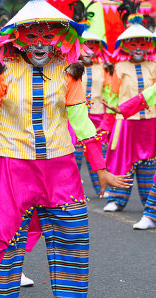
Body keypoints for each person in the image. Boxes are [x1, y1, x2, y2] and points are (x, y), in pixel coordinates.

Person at [0, 1, 132, 297]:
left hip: (61, 169)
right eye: (31, 36)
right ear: (16, 37)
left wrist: (100, 168)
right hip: (12, 169)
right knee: (4, 241)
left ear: (59, 37)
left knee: (72, 239)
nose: (39, 44)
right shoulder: (1, 70)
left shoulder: (71, 70)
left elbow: (81, 121)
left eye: (47, 36)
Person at [101, 1, 156, 213]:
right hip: (126, 122)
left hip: (151, 122)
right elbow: (112, 97)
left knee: (149, 164)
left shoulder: (154, 66)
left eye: (142, 43)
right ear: (125, 45)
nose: (138, 49)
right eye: (133, 44)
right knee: (123, 160)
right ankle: (117, 199)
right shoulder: (120, 67)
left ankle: (149, 205)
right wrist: (106, 124)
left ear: (149, 45)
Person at [70, 0, 112, 198]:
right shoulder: (69, 68)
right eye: (85, 44)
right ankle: (72, 193)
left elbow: (111, 95)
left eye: (93, 45)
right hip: (74, 117)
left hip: (97, 117)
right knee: (73, 158)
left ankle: (102, 192)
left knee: (97, 155)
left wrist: (107, 121)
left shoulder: (106, 69)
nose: (89, 49)